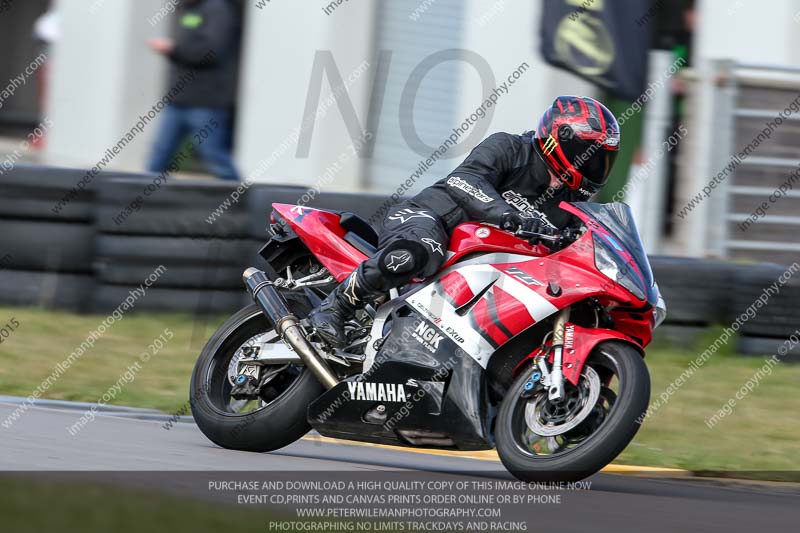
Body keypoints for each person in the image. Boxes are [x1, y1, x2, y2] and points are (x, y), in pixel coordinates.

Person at [309, 95, 621, 348]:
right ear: (561, 142)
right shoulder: (510, 148)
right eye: (591, 156)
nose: (597, 167)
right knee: (419, 250)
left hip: (484, 269)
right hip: (429, 220)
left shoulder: (569, 206)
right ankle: (335, 307)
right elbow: (464, 180)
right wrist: (506, 214)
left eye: (604, 160)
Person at [146, 0, 241, 181]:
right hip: (177, 100)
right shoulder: (187, 10)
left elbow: (211, 51)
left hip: (206, 102)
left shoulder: (216, 9)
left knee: (215, 157)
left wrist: (174, 49)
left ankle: (239, 201)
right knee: (158, 155)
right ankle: (140, 198)